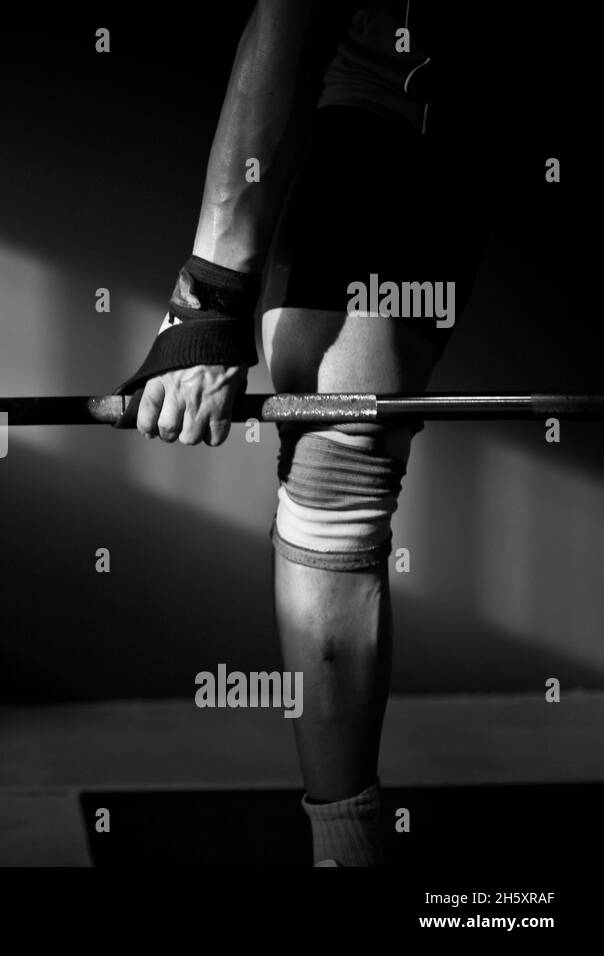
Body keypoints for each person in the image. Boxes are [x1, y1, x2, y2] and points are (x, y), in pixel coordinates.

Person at [115, 0, 489, 866]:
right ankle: (346, 850)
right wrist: (210, 300)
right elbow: (286, 17)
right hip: (403, 100)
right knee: (338, 455)